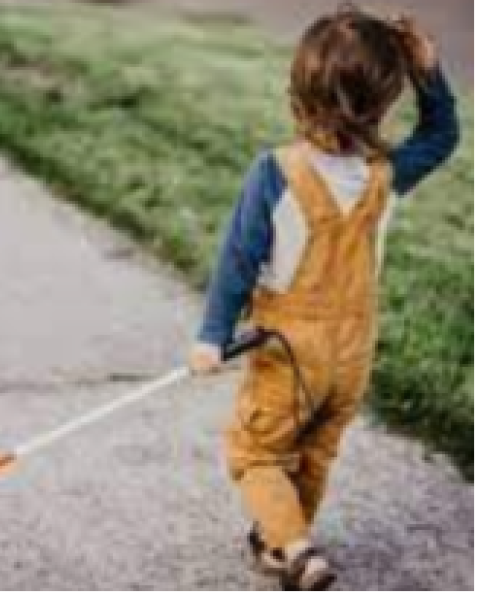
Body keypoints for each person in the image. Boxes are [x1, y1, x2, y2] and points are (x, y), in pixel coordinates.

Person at [190, 6, 460, 591]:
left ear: (297, 91)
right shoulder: (384, 176)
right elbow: (442, 135)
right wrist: (429, 74)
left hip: (289, 349)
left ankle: (298, 549)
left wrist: (212, 336)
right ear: (383, 103)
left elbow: (237, 262)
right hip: (352, 353)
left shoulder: (275, 173)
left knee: (255, 453)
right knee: (314, 453)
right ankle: (282, 545)